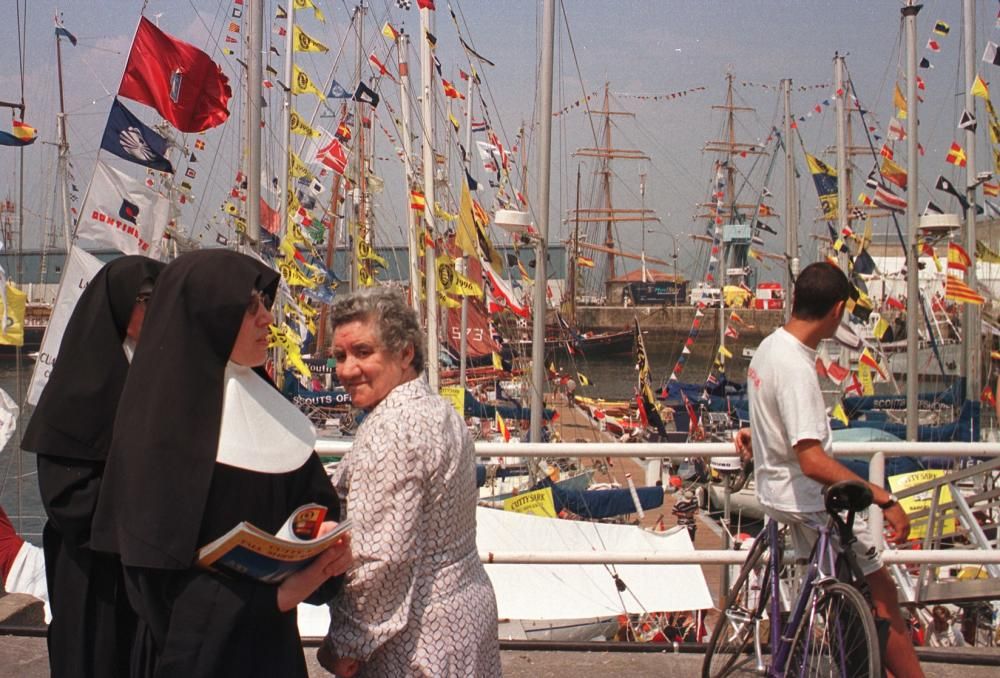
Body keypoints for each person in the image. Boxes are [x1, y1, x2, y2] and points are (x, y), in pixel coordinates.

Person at [90, 250, 352, 678]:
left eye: (265, 304)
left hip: (273, 653)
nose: (267, 318)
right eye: (249, 307)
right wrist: (274, 600)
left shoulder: (275, 411)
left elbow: (315, 513)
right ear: (205, 316)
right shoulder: (158, 434)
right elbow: (154, 587)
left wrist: (325, 549)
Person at [736, 261, 925, 678]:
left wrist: (758, 435)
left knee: (850, 599)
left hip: (776, 492)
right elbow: (812, 460)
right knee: (882, 595)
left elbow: (775, 418)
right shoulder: (797, 368)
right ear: (837, 310)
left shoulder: (770, 348)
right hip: (806, 498)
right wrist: (882, 497)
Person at [319, 287, 500, 677]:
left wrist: (348, 643)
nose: (347, 370)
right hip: (466, 617)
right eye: (339, 356)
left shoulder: (391, 431)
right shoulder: (440, 412)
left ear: (405, 353)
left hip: (417, 641)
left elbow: (381, 557)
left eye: (363, 353)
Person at [20, 255, 164, 678]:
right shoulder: (77, 388)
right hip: (92, 574)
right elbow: (67, 497)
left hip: (148, 570)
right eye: (145, 299)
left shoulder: (157, 372)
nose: (155, 310)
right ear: (120, 303)